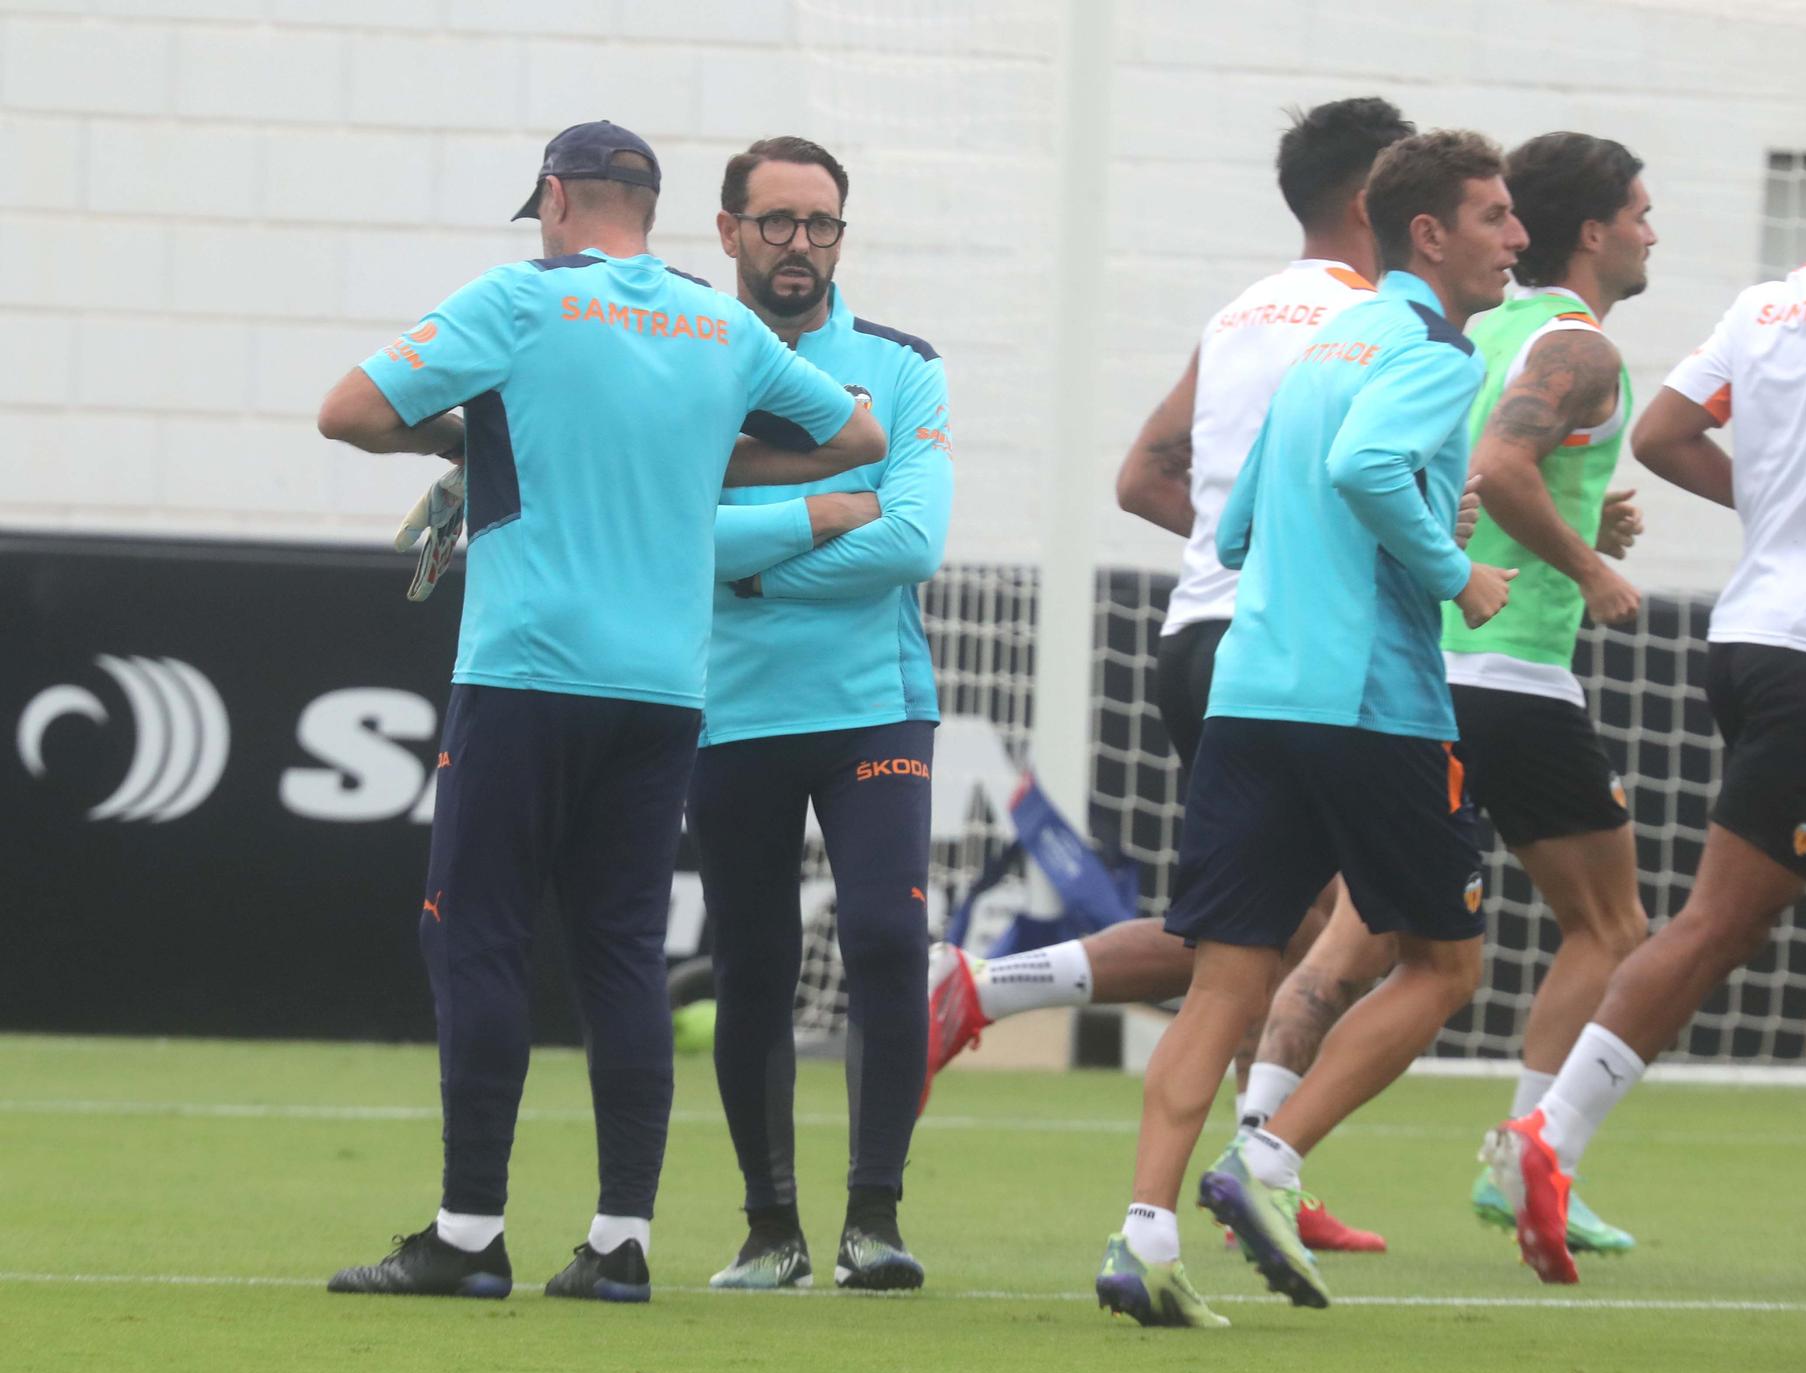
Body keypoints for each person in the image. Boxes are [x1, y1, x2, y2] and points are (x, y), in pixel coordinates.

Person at [318, 121, 884, 1303]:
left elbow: (350, 412)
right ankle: (620, 1238)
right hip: (663, 687)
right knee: (621, 956)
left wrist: (476, 435)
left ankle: (469, 1230)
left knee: (473, 934)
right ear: (654, 207)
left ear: (559, 201)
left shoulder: (519, 301)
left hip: (528, 672)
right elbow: (855, 434)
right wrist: (703, 465)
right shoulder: (717, 322)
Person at [1484, 74, 1806, 1291]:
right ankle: (1543, 1137)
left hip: (1756, 631)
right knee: (1719, 918)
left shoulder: (1773, 298)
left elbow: (1660, 434)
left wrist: (1775, 506)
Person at [924, 97, 1419, 1257]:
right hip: (1300, 657)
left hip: (1200, 632)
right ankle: (992, 994)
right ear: (1373, 202)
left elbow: (1148, 471)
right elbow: (1368, 479)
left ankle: (1255, 1167)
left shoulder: (1242, 311)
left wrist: (1225, 546)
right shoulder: (1373, 323)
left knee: (1283, 921)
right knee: (1355, 933)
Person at [1095, 128, 1526, 1327]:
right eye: (1495, 216)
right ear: (1428, 235)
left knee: (1225, 978)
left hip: (1249, 693)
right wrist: (1455, 570)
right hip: (1367, 706)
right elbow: (1367, 469)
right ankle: (1269, 1159)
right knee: (1442, 962)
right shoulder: (1435, 353)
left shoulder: (1322, 341)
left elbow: (1229, 536)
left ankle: (1142, 1234)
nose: (1517, 237)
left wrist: (1403, 503)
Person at [1231, 132, 1656, 1259]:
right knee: (1604, 926)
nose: (1653, 231)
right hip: (1505, 670)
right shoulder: (1573, 343)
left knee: (1349, 934)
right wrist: (1586, 563)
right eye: (1642, 212)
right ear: (1594, 229)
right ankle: (1525, 1152)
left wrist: (1581, 512)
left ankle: (1254, 1142)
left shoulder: (1475, 329)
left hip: (1398, 677)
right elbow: (1500, 470)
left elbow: (1476, 465)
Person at [691, 136, 953, 1293]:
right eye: (777, 221)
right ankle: (769, 1227)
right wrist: (818, 515)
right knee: (751, 961)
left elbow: (911, 540)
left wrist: (740, 563)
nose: (799, 244)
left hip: (873, 710)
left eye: (821, 224)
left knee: (888, 941)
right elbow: (669, 541)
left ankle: (874, 1220)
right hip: (726, 711)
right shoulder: (686, 361)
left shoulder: (901, 366)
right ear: (727, 231)